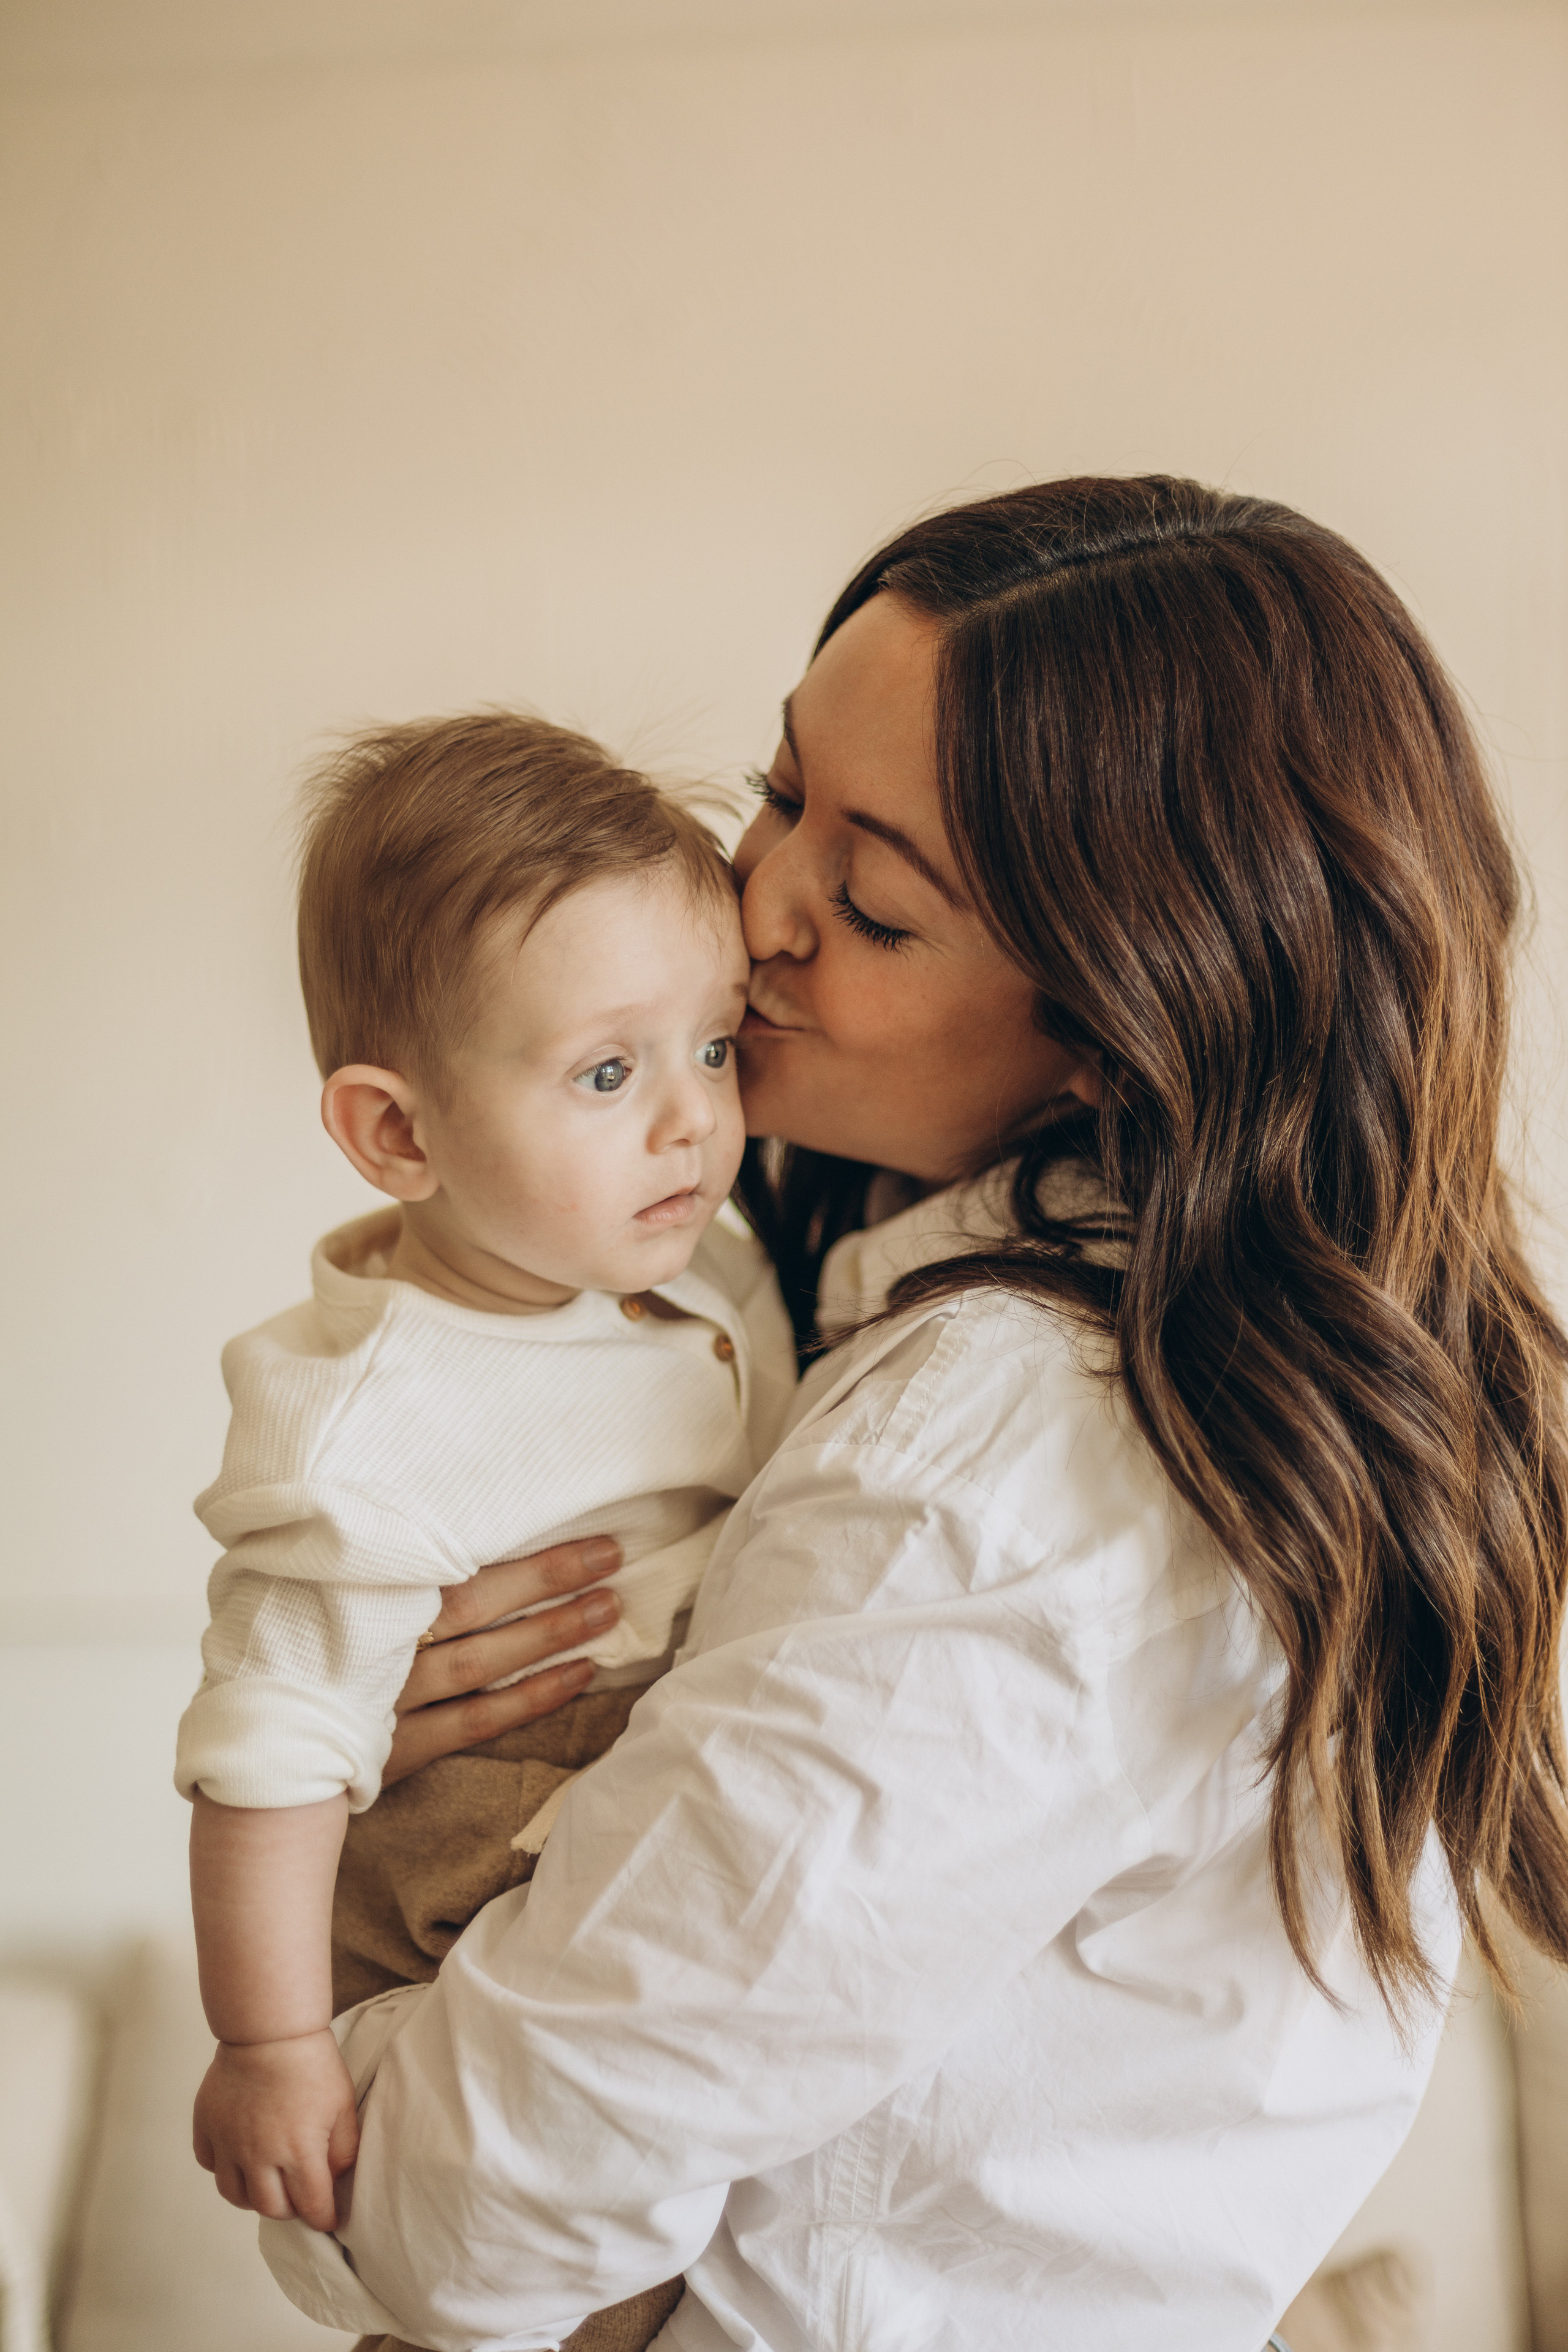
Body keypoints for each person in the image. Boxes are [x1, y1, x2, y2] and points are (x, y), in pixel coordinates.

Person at [266, 479, 1568, 2352]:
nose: (755, 906)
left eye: (872, 904)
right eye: (779, 790)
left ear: (1126, 1022)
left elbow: (481, 2216)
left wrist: (365, 1886)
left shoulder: (989, 1461)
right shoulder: (1145, 1363)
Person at [174, 715, 796, 2351]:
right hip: (462, 1850)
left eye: (715, 1048)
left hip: (638, 1789)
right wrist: (271, 2046)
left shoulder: (694, 1258)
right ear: (399, 1135)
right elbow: (271, 1753)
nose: (690, 1122)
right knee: (560, 2266)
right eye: (608, 1072)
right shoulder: (361, 1419)